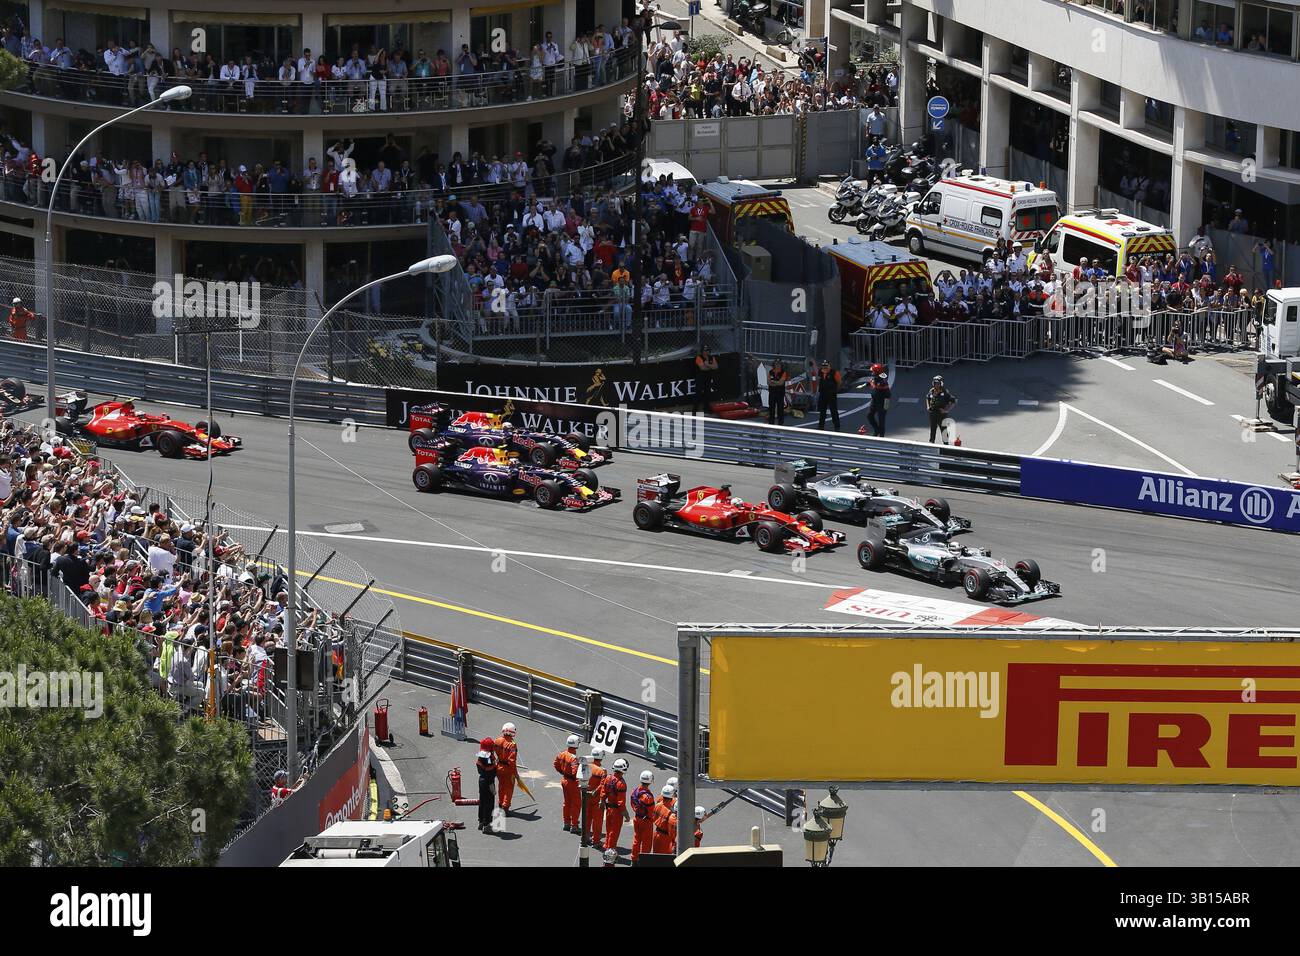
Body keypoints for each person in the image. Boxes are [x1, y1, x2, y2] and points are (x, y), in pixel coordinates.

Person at [553, 733, 581, 833]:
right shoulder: (573, 758)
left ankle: (566, 823)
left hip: (564, 780)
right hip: (572, 783)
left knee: (567, 803)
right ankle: (574, 825)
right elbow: (575, 772)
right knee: (576, 804)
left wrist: (562, 772)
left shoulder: (562, 754)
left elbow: (555, 764)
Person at [602, 757, 631, 853]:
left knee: (608, 828)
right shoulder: (621, 784)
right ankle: (610, 850)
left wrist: (602, 802)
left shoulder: (608, 778)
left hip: (608, 808)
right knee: (615, 831)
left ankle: (607, 844)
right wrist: (626, 815)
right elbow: (621, 803)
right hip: (616, 811)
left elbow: (603, 792)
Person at [630, 769, 656, 863]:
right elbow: (651, 811)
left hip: (637, 818)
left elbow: (632, 804)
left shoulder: (635, 791)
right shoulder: (648, 797)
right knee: (646, 842)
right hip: (646, 821)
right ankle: (644, 861)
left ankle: (634, 859)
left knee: (636, 839)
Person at [493, 721, 518, 814]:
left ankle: (500, 803)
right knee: (509, 788)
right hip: (508, 769)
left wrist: (496, 761)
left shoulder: (497, 740)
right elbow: (512, 761)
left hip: (499, 767)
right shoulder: (512, 745)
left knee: (501, 786)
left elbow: (491, 752)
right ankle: (505, 806)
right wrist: (515, 773)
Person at [585, 747, 607, 847]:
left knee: (587, 818)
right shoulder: (602, 771)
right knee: (597, 821)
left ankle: (585, 837)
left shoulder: (586, 766)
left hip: (586, 796)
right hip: (596, 797)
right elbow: (602, 785)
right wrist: (595, 792)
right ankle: (596, 841)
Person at [925, 375, 957, 444]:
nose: (936, 385)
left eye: (938, 383)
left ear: (941, 383)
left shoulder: (945, 392)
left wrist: (946, 410)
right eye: (935, 383)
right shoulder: (931, 391)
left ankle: (946, 445)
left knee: (943, 430)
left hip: (941, 415)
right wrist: (928, 406)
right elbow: (927, 398)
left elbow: (953, 401)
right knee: (933, 429)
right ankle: (931, 443)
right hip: (933, 413)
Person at [475, 736, 497, 831]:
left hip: (482, 781)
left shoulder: (481, 757)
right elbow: (491, 770)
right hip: (489, 782)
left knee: (482, 801)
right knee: (489, 803)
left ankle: (481, 821)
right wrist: (496, 765)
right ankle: (487, 824)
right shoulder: (489, 758)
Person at [651, 783, 677, 855]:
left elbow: (653, 817)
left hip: (656, 834)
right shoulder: (671, 811)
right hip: (666, 837)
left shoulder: (658, 805)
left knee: (656, 857)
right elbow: (672, 829)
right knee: (665, 858)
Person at [866, 362, 891, 438]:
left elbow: (886, 393)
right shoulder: (876, 377)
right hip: (874, 400)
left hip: (882, 402)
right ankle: (876, 429)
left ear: (877, 372)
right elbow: (873, 382)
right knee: (869, 416)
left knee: (881, 420)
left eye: (873, 371)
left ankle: (881, 436)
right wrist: (869, 383)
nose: (872, 372)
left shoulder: (882, 382)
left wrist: (886, 407)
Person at [692, 346, 718, 413]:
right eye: (704, 350)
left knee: (707, 393)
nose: (706, 352)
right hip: (700, 378)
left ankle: (706, 408)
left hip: (708, 377)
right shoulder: (698, 358)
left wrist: (707, 365)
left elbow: (716, 366)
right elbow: (702, 368)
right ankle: (695, 410)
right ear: (702, 351)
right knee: (698, 393)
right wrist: (710, 366)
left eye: (707, 350)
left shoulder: (712, 357)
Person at [817, 360, 841, 431]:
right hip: (822, 394)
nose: (825, 368)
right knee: (822, 410)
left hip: (831, 394)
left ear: (829, 366)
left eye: (826, 366)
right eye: (823, 366)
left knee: (833, 411)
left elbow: (839, 382)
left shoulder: (834, 372)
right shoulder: (820, 372)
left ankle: (837, 426)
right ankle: (821, 426)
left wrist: (835, 390)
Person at [768, 359, 789, 425]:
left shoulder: (783, 372)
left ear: (781, 365)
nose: (777, 365)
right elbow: (768, 382)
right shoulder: (770, 372)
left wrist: (774, 382)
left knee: (780, 408)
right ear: (774, 364)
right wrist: (776, 382)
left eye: (779, 364)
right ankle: (771, 423)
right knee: (771, 408)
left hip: (780, 393)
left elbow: (781, 383)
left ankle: (780, 423)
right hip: (772, 393)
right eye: (776, 364)